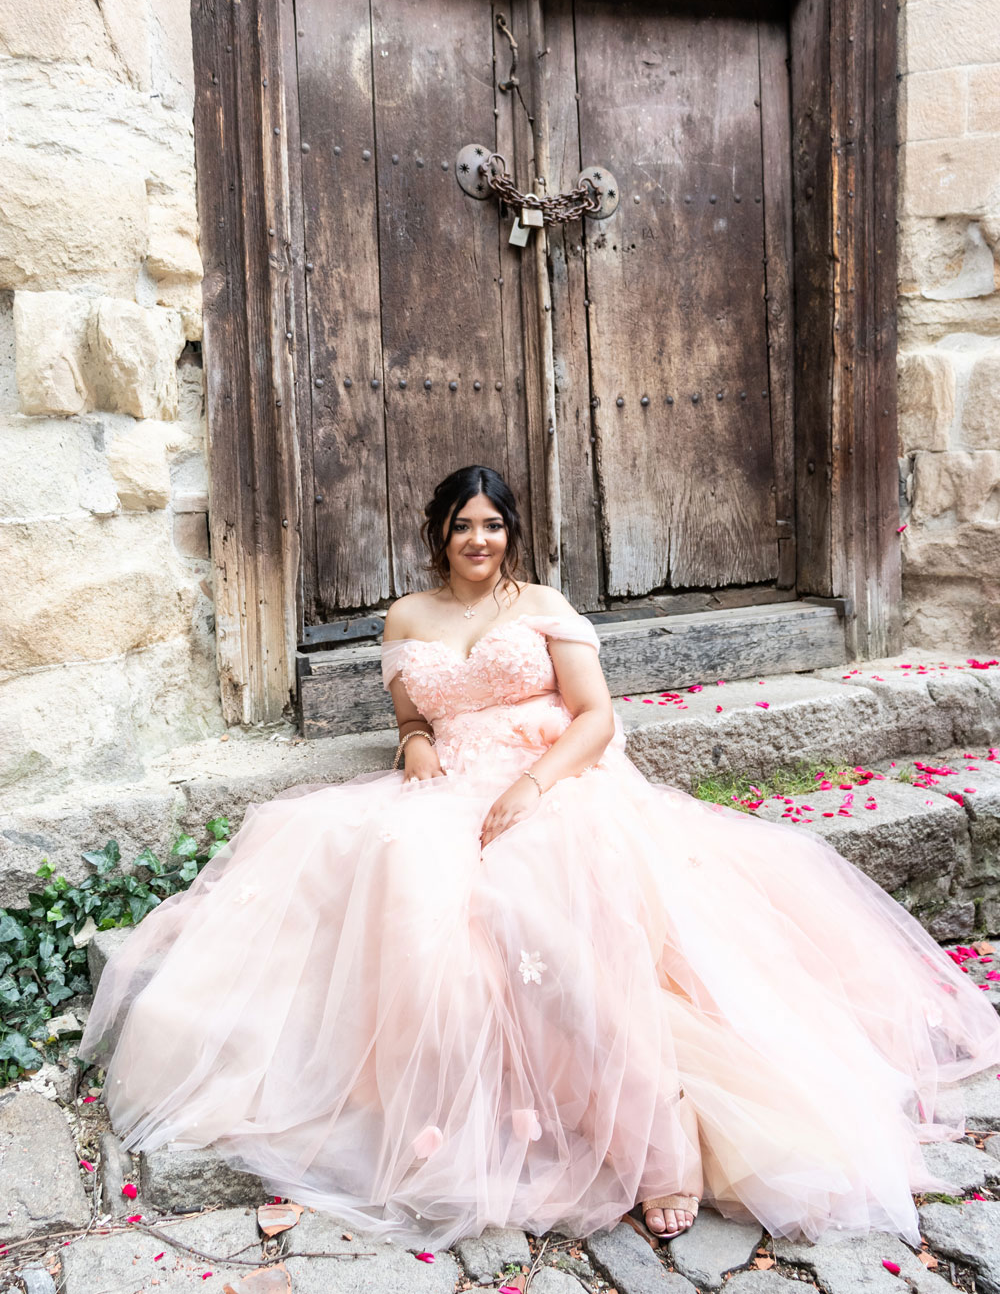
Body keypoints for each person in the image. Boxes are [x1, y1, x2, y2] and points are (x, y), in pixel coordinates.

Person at [79, 464, 1000, 1252]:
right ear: (438, 536)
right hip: (449, 792)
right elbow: (411, 717)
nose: (477, 540)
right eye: (461, 526)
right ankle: (458, 1103)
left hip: (556, 784)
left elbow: (595, 717)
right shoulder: (406, 617)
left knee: (539, 911)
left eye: (492, 525)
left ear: (510, 533)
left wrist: (531, 787)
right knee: (418, 899)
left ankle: (658, 1132)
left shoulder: (545, 607)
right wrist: (416, 747)